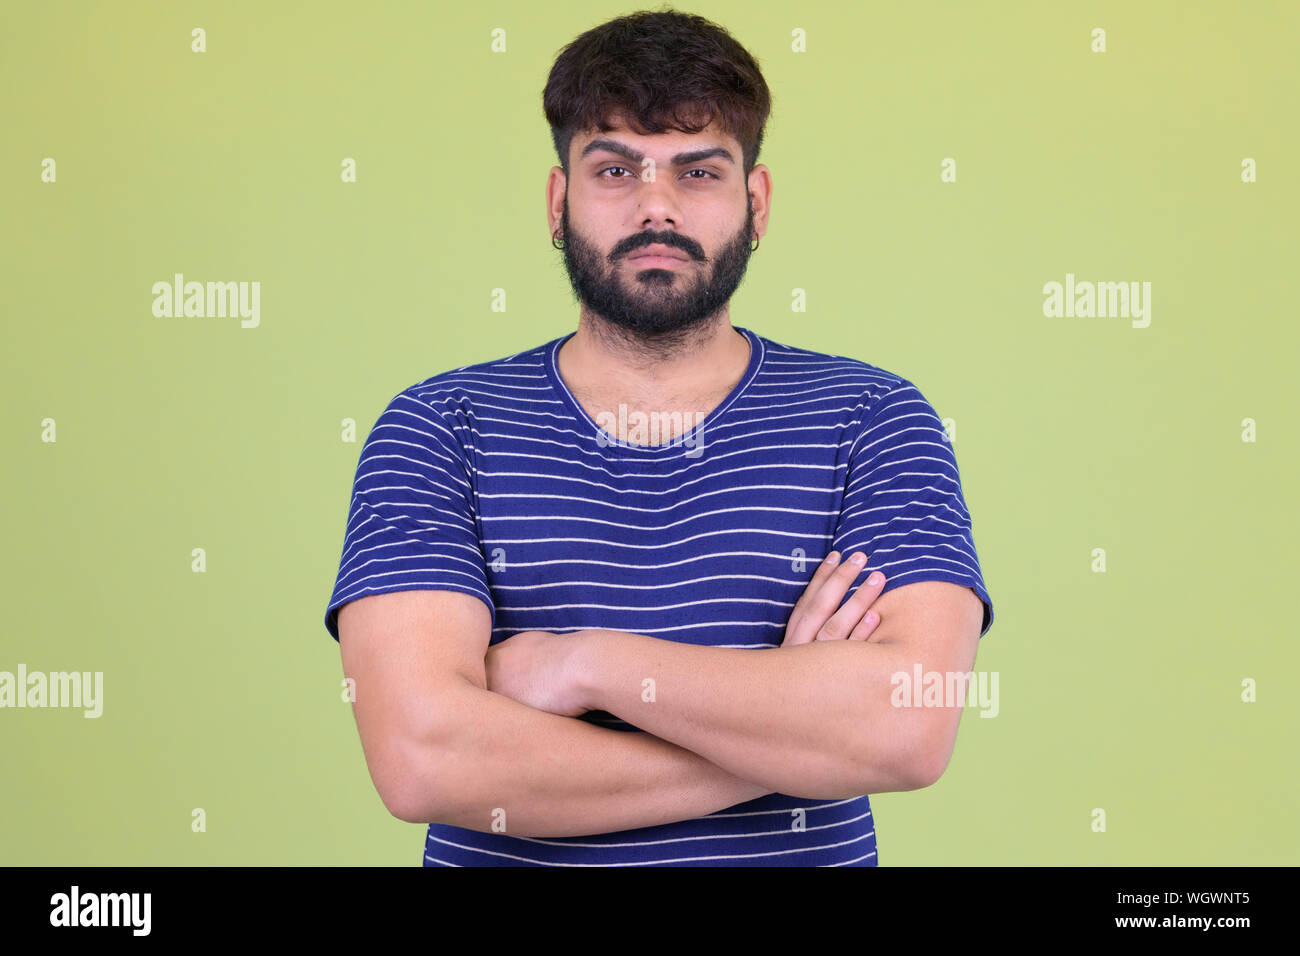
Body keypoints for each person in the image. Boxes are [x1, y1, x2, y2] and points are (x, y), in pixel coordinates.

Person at [324, 8, 994, 866]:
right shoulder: (437, 429)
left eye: (698, 172)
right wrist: (795, 734)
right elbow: (425, 761)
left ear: (755, 204)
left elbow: (906, 727)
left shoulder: (873, 419)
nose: (656, 206)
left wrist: (583, 665)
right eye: (614, 169)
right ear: (559, 201)